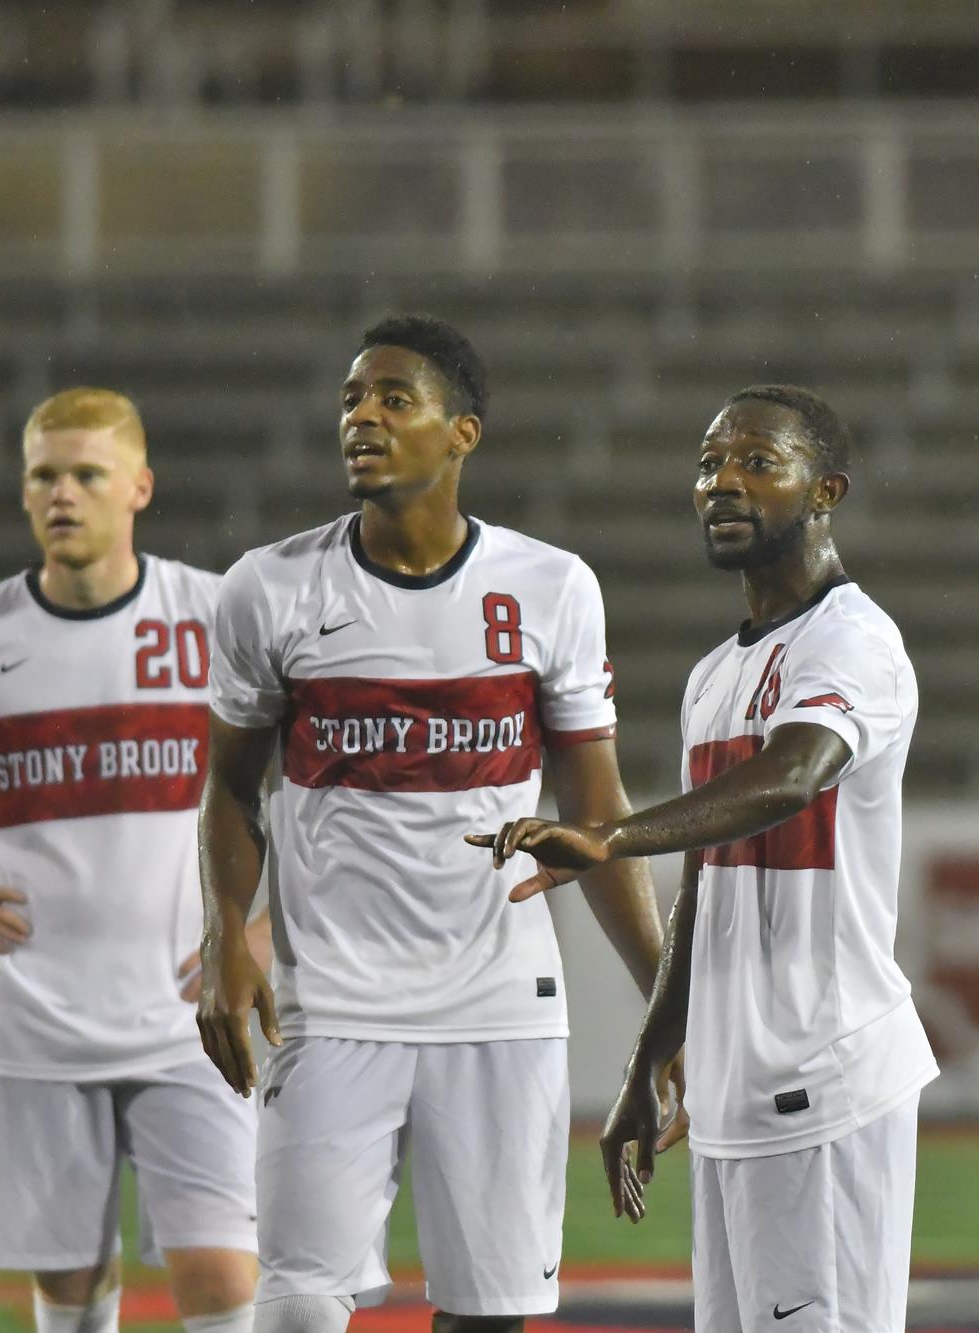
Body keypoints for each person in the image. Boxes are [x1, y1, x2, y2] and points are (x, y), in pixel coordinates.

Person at [195, 314, 669, 1333]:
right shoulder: (268, 588)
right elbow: (232, 787)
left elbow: (596, 814)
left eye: (392, 399)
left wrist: (664, 1005)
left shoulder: (551, 587)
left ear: (462, 433)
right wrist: (224, 932)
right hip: (329, 1002)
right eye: (350, 400)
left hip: (499, 1002)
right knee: (293, 1304)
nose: (361, 416)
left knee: (489, 1313)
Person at [474, 385, 939, 1333]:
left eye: (758, 462)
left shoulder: (855, 639)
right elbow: (711, 880)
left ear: (826, 491)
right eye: (708, 463)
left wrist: (612, 835)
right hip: (736, 1089)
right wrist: (650, 1056)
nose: (723, 481)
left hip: (826, 1080)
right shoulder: (714, 675)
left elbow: (794, 775)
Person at [0, 388, 264, 1333]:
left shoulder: (214, 613)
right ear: (24, 494)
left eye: (85, 474)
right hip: (39, 1020)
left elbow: (309, 785)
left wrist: (260, 932)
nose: (61, 493)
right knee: (70, 1288)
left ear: (139, 487)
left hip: (195, 1020)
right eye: (43, 476)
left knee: (226, 1278)